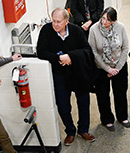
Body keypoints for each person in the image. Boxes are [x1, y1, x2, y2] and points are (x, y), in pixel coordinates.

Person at [36, 8, 96, 143]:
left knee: (83, 102)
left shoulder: (76, 31)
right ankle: (70, 131)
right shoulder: (46, 31)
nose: (55, 24)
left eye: (58, 22)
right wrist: (59, 58)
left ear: (66, 21)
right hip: (60, 74)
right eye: (53, 21)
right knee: (63, 105)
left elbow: (87, 51)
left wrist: (70, 57)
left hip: (77, 72)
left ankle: (83, 130)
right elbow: (40, 52)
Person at [88, 7, 130, 130]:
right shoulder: (94, 30)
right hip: (101, 68)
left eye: (108, 20)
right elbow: (94, 52)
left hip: (119, 66)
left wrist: (117, 68)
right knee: (103, 95)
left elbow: (125, 48)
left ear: (114, 21)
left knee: (120, 93)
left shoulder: (120, 27)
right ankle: (107, 120)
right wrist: (108, 69)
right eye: (103, 18)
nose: (104, 22)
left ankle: (122, 117)